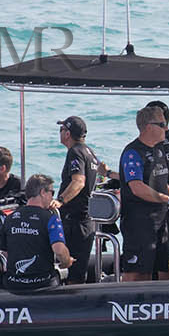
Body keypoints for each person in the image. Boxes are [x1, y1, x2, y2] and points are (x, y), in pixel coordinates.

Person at [120, 106, 169, 281]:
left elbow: (161, 180)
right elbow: (137, 187)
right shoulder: (133, 153)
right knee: (138, 271)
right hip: (139, 223)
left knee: (164, 265)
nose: (166, 128)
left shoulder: (158, 150)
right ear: (149, 127)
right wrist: (168, 200)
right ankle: (129, 304)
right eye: (162, 124)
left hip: (160, 220)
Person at [2, 175, 73, 293]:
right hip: (42, 283)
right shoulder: (51, 218)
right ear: (43, 192)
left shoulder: (10, 218)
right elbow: (59, 250)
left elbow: (5, 253)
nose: (52, 197)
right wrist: (66, 262)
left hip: (13, 283)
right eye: (52, 192)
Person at [54, 116, 100, 283]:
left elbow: (79, 182)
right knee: (78, 271)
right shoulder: (89, 152)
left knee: (72, 273)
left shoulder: (75, 152)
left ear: (67, 134)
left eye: (61, 130)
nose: (60, 134)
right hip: (86, 220)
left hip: (75, 221)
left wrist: (60, 201)